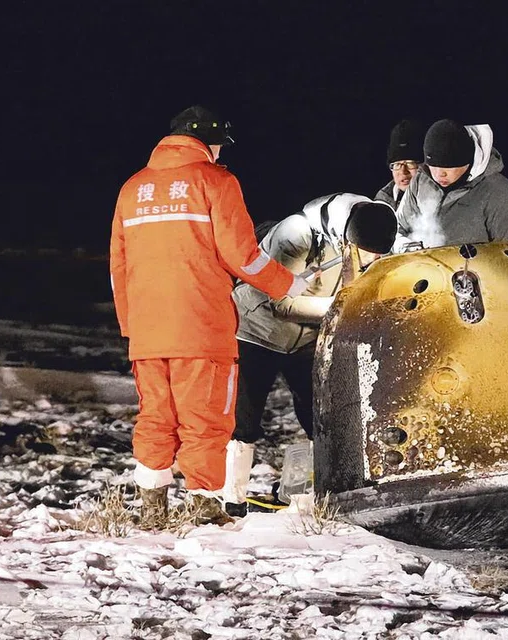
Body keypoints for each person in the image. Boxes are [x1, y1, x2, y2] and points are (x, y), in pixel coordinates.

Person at [110, 105, 308, 528]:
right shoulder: (216, 181)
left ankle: (152, 509)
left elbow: (118, 267)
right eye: (219, 145)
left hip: (147, 331)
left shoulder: (133, 188)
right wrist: (288, 284)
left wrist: (131, 326)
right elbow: (243, 256)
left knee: (155, 416)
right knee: (205, 418)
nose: (221, 152)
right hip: (201, 326)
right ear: (208, 143)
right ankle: (203, 507)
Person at [227, 194, 396, 513]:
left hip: (306, 336)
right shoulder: (295, 234)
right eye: (367, 253)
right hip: (256, 330)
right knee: (244, 419)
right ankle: (231, 499)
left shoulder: (372, 229)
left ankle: (296, 492)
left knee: (316, 417)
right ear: (348, 237)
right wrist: (342, 306)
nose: (372, 259)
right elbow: (281, 303)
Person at [393, 119, 508, 251]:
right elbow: (396, 228)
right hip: (421, 267)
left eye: (449, 167)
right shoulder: (421, 182)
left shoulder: (501, 195)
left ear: (468, 163)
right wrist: (406, 246)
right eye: (434, 166)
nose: (440, 174)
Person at [374, 119, 425, 212]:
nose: (403, 171)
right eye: (397, 165)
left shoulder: (439, 201)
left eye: (410, 163)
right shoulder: (383, 201)